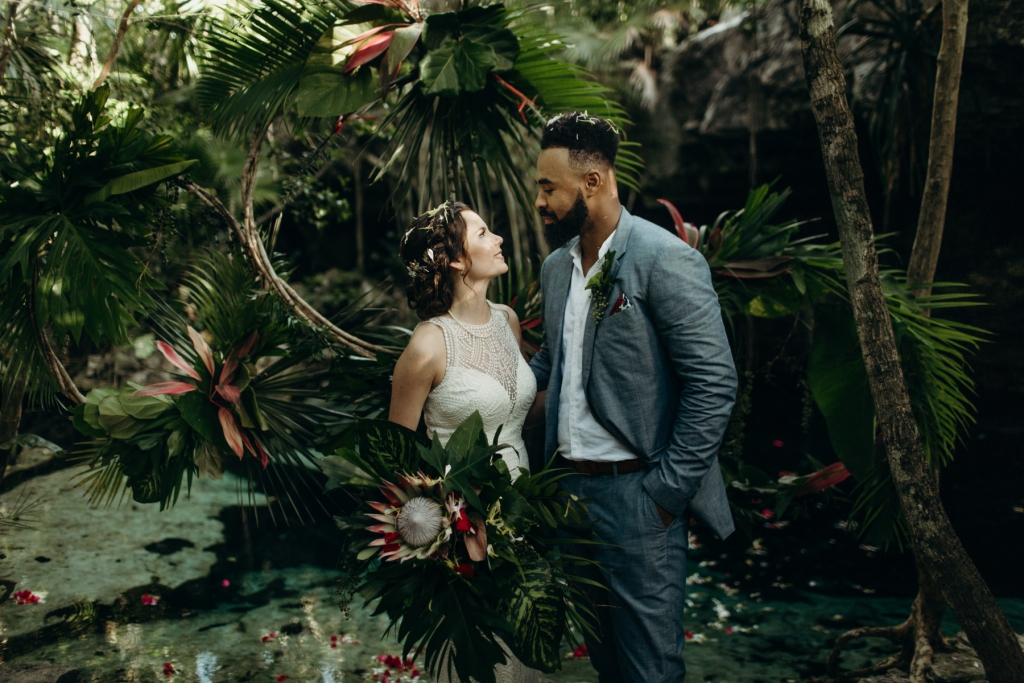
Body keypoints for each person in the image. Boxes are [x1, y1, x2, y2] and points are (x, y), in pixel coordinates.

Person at [528, 112, 738, 682]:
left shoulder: (666, 258)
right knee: (608, 668)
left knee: (651, 669)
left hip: (639, 498)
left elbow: (714, 381)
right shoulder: (555, 269)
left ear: (591, 182)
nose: (540, 202)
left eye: (549, 187)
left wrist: (666, 491)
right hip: (567, 493)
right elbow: (552, 364)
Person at [388, 200, 542, 683]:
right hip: (465, 539)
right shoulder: (428, 346)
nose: (497, 239)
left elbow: (517, 410)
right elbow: (396, 459)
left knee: (525, 655)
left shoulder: (508, 320)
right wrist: (445, 532)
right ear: (455, 260)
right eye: (483, 233)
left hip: (527, 519)